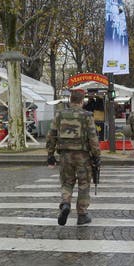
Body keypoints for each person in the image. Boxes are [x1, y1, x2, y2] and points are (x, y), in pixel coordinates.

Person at [46, 89, 100, 226]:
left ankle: (65, 203)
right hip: (83, 156)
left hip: (64, 155)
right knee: (84, 184)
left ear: (70, 100)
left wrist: (50, 155)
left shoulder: (60, 115)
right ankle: (82, 214)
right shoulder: (87, 115)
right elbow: (93, 137)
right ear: (82, 101)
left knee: (67, 182)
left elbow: (51, 135)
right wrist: (97, 155)